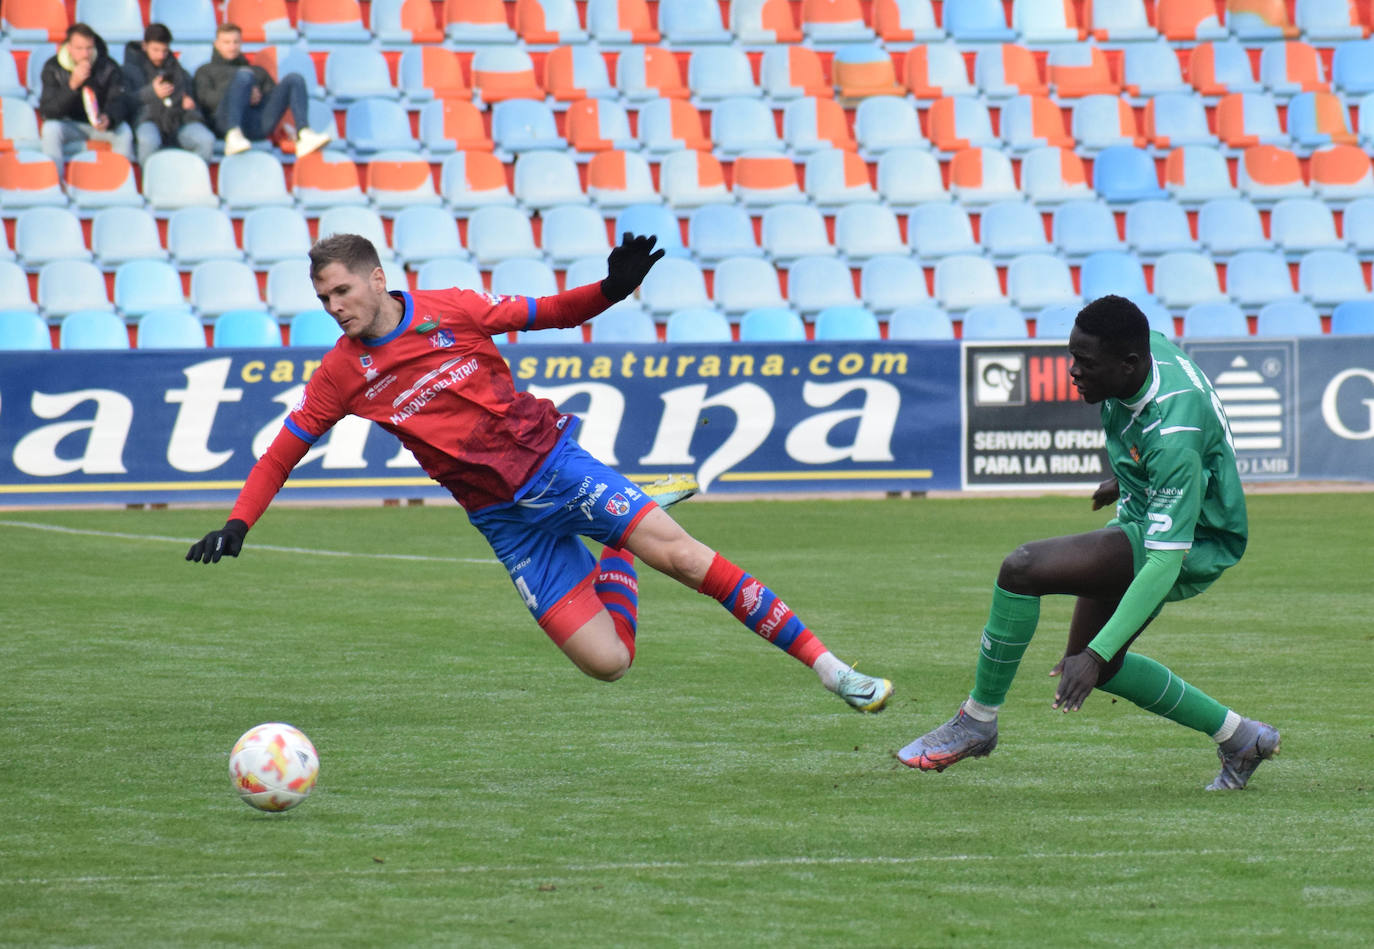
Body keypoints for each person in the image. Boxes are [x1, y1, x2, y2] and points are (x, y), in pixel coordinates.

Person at [185, 233, 893, 716]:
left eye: (342, 291)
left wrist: (610, 289)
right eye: (324, 300)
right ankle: (616, 541)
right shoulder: (342, 372)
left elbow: (549, 311)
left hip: (555, 463)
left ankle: (835, 670)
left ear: (377, 278)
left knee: (682, 556)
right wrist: (240, 522)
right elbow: (284, 448)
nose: (336, 307)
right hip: (504, 520)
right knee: (609, 663)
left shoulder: (451, 309)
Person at [897, 295, 1279, 790]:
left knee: (1023, 568)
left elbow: (1164, 561)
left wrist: (1093, 656)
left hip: (1191, 538)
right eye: (1072, 356)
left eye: (1085, 362)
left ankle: (978, 720)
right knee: (1103, 664)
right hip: (1157, 506)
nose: (1073, 370)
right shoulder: (1146, 354)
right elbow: (1185, 441)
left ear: (1129, 364)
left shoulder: (1173, 433)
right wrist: (1131, 477)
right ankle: (1241, 737)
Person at [192, 22, 330, 158]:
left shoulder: (257, 71)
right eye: (226, 42)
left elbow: (272, 99)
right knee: (244, 76)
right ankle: (234, 134)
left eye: (236, 42)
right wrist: (242, 95)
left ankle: (304, 133)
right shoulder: (205, 71)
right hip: (223, 124)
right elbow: (204, 100)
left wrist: (257, 98)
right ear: (217, 44)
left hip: (256, 126)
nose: (232, 47)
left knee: (294, 78)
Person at [38, 22, 135, 177]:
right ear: (69, 48)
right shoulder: (53, 67)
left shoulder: (108, 66)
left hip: (99, 125)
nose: (85, 54)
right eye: (79, 48)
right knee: (50, 129)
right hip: (69, 123)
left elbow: (120, 100)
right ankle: (54, 182)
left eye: (89, 48)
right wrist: (72, 86)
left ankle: (119, 184)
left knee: (124, 132)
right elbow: (48, 111)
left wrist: (110, 118)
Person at [122, 22, 215, 166]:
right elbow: (126, 103)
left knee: (206, 140)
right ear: (144, 45)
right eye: (155, 50)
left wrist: (190, 104)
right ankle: (149, 183)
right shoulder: (129, 69)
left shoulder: (176, 68)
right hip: (148, 120)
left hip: (178, 120)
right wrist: (152, 92)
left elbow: (190, 95)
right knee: (148, 141)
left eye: (165, 50)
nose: (160, 55)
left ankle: (192, 182)